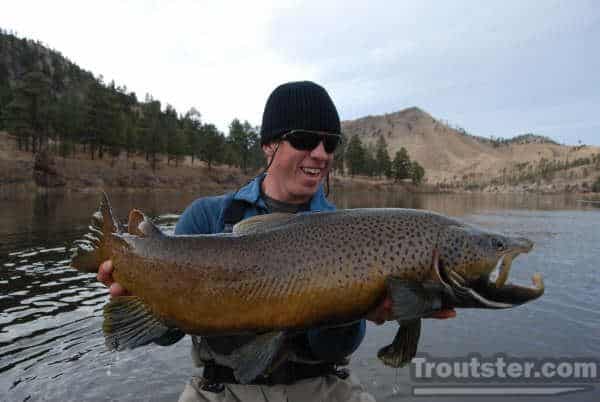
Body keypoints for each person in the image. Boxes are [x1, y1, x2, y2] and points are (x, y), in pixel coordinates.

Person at [97, 81, 455, 401]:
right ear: (268, 145)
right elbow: (169, 334)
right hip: (221, 392)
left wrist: (353, 307)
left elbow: (332, 347)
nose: (320, 153)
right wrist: (142, 290)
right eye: (304, 139)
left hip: (320, 389)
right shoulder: (207, 218)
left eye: (330, 143)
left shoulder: (349, 231)